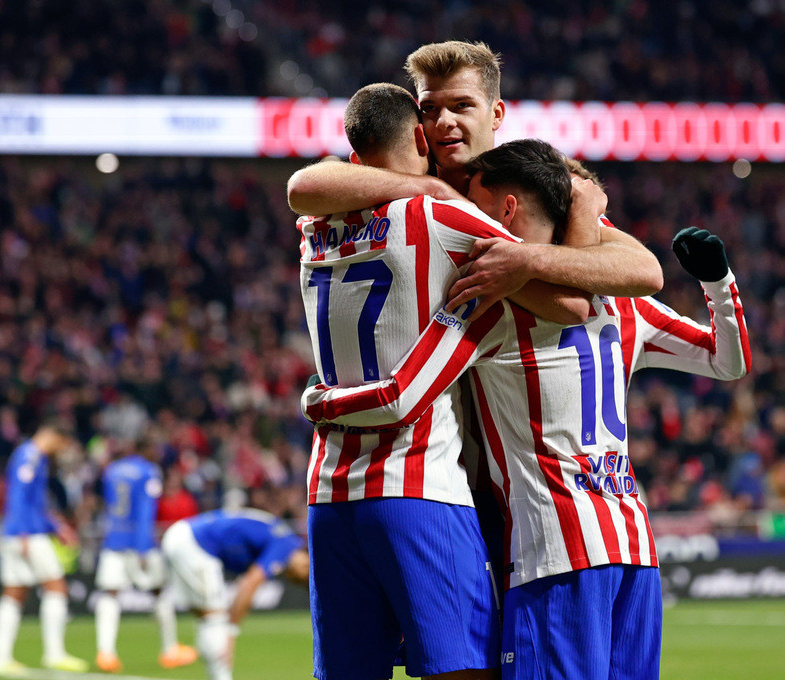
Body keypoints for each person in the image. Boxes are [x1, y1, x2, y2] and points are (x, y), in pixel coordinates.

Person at [301, 139, 752, 680]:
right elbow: (729, 360)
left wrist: (319, 398)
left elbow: (404, 396)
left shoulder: (495, 306)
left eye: (474, 202)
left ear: (508, 209)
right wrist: (719, 283)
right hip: (633, 548)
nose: (465, 214)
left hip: (552, 553)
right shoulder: (629, 306)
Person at [298, 82, 608, 680]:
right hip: (418, 486)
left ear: (356, 157)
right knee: (463, 671)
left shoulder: (313, 225)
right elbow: (572, 304)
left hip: (328, 493)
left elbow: (301, 187)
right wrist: (584, 212)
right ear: (420, 139)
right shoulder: (438, 214)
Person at [287, 40, 664, 314]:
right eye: (430, 108)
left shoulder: (530, 178)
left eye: (461, 106)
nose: (444, 121)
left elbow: (646, 272)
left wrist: (527, 260)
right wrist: (430, 187)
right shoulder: (407, 179)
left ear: (496, 114)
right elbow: (302, 188)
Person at [161, 508, 309, 680]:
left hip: (183, 536)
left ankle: (212, 662)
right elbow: (249, 584)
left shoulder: (280, 534)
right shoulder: (285, 544)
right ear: (306, 554)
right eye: (306, 570)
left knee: (207, 618)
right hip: (194, 544)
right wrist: (230, 631)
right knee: (215, 619)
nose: (298, 576)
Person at [0, 421, 88, 677]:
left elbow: (35, 503)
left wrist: (57, 527)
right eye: (62, 445)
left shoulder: (32, 456)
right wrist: (23, 532)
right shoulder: (30, 456)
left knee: (14, 593)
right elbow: (19, 496)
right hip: (27, 534)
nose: (61, 451)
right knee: (56, 587)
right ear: (54, 436)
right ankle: (54, 654)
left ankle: (0, 658)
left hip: (17, 531)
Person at [93, 438, 197, 673]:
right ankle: (169, 650)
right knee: (159, 591)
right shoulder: (148, 471)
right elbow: (145, 510)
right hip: (138, 542)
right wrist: (142, 547)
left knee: (110, 594)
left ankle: (106, 653)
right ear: (146, 450)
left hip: (113, 538)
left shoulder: (112, 470)